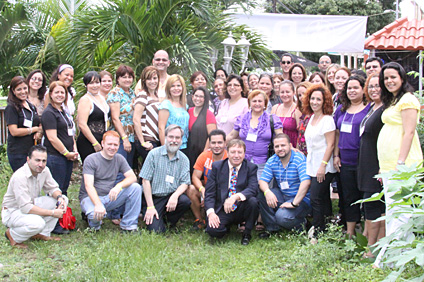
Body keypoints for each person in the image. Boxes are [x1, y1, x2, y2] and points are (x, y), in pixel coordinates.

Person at [374, 62, 423, 266]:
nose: (389, 81)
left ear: (402, 78)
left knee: (399, 211)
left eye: (393, 77)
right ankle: (399, 254)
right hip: (388, 165)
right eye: (386, 78)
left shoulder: (408, 100)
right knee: (394, 210)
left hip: (403, 165)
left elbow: (409, 133)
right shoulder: (393, 100)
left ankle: (392, 257)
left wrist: (400, 163)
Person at [2, 145, 68, 248]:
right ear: (28, 159)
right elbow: (25, 208)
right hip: (13, 212)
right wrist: (53, 213)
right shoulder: (20, 176)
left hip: (31, 204)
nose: (41, 164)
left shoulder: (44, 170)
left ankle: (42, 234)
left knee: (64, 199)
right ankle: (13, 236)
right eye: (37, 160)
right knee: (38, 223)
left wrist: (60, 198)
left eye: (43, 161)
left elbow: (53, 188)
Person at [79, 131, 142, 232]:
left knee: (136, 188)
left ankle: (129, 225)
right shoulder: (91, 159)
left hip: (108, 197)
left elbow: (132, 177)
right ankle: (94, 226)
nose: (112, 147)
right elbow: (88, 185)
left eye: (115, 145)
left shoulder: (119, 159)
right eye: (109, 144)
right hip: (89, 198)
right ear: (102, 144)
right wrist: (98, 204)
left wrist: (119, 186)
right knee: (94, 215)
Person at [333, 75, 370, 237]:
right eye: (349, 88)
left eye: (356, 87)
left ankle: (368, 233)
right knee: (348, 196)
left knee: (366, 197)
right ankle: (350, 232)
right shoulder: (341, 110)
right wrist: (336, 155)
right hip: (345, 161)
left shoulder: (370, 108)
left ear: (363, 89)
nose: (352, 91)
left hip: (364, 162)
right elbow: (337, 134)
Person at [205, 139, 259, 245]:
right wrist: (211, 213)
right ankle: (226, 226)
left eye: (240, 152)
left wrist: (234, 197)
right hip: (223, 207)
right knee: (213, 231)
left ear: (244, 154)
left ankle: (247, 233)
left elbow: (253, 188)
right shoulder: (217, 167)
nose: (236, 155)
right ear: (227, 153)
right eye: (233, 152)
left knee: (253, 201)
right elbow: (209, 193)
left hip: (241, 207)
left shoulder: (251, 167)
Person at [139, 125, 192, 233]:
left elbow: (185, 183)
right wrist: (150, 207)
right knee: (156, 231)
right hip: (153, 198)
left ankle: (169, 221)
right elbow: (145, 181)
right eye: (171, 137)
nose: (174, 140)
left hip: (170, 197)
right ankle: (157, 219)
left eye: (177, 138)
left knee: (185, 201)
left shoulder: (184, 159)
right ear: (165, 137)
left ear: (181, 140)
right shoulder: (153, 154)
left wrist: (175, 196)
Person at [258, 134, 312, 236]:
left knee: (282, 217)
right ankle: (273, 228)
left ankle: (304, 225)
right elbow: (262, 181)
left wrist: (294, 203)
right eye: (277, 146)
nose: (280, 149)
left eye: (283, 145)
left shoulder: (298, 159)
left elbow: (306, 182)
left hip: (301, 199)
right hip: (283, 195)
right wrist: (267, 192)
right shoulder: (273, 160)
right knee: (262, 193)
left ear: (290, 145)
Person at [357, 73, 385, 258]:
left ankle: (372, 248)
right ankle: (377, 245)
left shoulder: (386, 110)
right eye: (371, 86)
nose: (374, 89)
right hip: (365, 161)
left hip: (377, 163)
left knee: (375, 206)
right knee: (371, 205)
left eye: (378, 86)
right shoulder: (372, 108)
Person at [303, 84, 337, 233]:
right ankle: (327, 225)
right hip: (312, 163)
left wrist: (323, 166)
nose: (315, 102)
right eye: (312, 98)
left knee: (315, 198)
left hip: (323, 165)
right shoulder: (311, 119)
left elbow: (330, 145)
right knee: (322, 197)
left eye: (319, 99)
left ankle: (317, 230)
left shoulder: (327, 120)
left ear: (325, 102)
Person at [227, 90, 283, 179]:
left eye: (260, 101)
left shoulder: (272, 119)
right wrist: (218, 144)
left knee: (260, 189)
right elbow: (231, 135)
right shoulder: (242, 119)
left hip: (264, 164)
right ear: (249, 103)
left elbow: (281, 137)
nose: (257, 104)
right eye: (254, 101)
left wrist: (291, 147)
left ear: (265, 103)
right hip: (243, 162)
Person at [42, 81, 79, 197]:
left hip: (67, 156)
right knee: (56, 190)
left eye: (62, 92)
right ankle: (53, 213)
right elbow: (52, 138)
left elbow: (70, 133)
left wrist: (74, 150)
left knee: (64, 188)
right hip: (55, 156)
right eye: (56, 92)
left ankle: (63, 214)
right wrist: (66, 153)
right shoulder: (49, 113)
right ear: (51, 94)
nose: (60, 95)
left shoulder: (63, 112)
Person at [187, 129, 228, 230]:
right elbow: (195, 177)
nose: (216, 145)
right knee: (190, 189)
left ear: (225, 143)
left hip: (223, 192)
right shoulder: (205, 156)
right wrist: (202, 190)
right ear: (209, 144)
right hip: (206, 188)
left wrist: (210, 196)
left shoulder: (229, 157)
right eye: (213, 143)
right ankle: (200, 220)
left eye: (219, 142)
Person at [5, 76, 42, 171]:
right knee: (22, 181)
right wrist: (33, 130)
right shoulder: (11, 108)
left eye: (25, 88)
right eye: (19, 89)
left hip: (31, 150)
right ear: (13, 91)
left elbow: (38, 122)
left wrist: (38, 132)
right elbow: (14, 131)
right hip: (18, 152)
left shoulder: (31, 106)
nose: (23, 92)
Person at [77, 71, 110, 163]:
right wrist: (94, 143)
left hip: (102, 139)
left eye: (97, 82)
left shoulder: (102, 97)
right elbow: (82, 124)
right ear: (86, 85)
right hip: (89, 141)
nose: (94, 85)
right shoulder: (85, 100)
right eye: (91, 83)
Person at [107, 65, 136, 168]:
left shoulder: (133, 93)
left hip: (132, 137)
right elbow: (115, 118)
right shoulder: (115, 93)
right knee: (119, 169)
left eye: (129, 77)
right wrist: (124, 138)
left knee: (128, 168)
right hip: (119, 137)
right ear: (118, 79)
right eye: (124, 77)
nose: (127, 79)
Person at [133, 66, 161, 162]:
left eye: (155, 78)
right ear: (144, 81)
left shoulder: (156, 96)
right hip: (146, 139)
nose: (152, 81)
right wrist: (142, 142)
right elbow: (136, 119)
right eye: (149, 79)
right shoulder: (143, 95)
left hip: (155, 139)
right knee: (150, 172)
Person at [187, 86, 217, 174]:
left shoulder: (209, 114)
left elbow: (212, 136)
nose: (198, 99)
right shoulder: (188, 111)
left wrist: (204, 153)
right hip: (189, 150)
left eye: (201, 97)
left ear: (205, 99)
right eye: (196, 96)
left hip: (202, 151)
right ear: (192, 97)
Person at [158, 74, 190, 155]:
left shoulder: (184, 105)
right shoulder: (166, 105)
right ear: (169, 88)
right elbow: (161, 128)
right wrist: (164, 149)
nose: (176, 88)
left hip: (184, 146)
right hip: (170, 147)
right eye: (173, 86)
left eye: (178, 86)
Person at [271, 80, 302, 148]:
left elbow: (300, 133)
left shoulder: (297, 109)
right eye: (282, 92)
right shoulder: (275, 108)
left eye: (287, 92)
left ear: (294, 93)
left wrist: (297, 150)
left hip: (292, 146)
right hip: (276, 146)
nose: (285, 95)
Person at [296, 81, 313, 155]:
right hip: (302, 154)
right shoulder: (303, 115)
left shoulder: (316, 114)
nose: (301, 97)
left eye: (304, 93)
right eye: (299, 95)